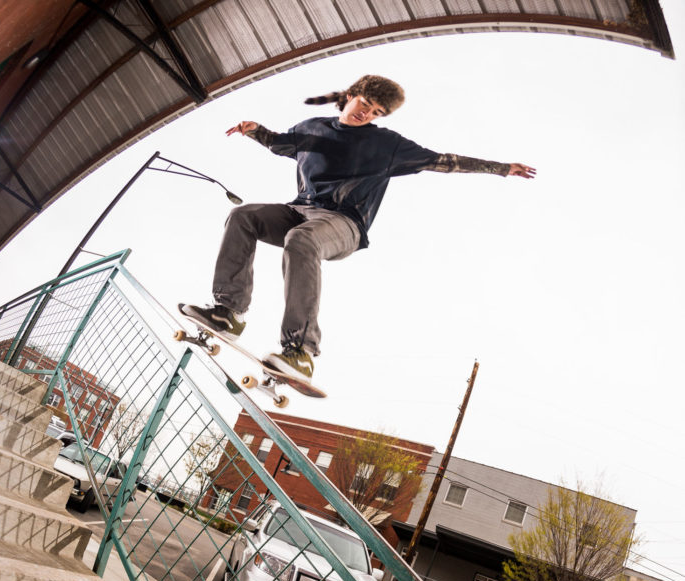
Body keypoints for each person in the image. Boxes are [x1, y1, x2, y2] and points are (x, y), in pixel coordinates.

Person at [180, 74, 535, 384]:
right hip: (299, 209)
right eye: (364, 104)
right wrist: (254, 131)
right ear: (350, 96)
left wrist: (501, 168)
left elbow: (443, 162)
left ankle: (300, 351)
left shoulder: (388, 145)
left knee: (300, 240)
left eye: (376, 112)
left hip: (345, 224)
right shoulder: (311, 128)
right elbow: (279, 143)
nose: (366, 114)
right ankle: (229, 313)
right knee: (243, 215)